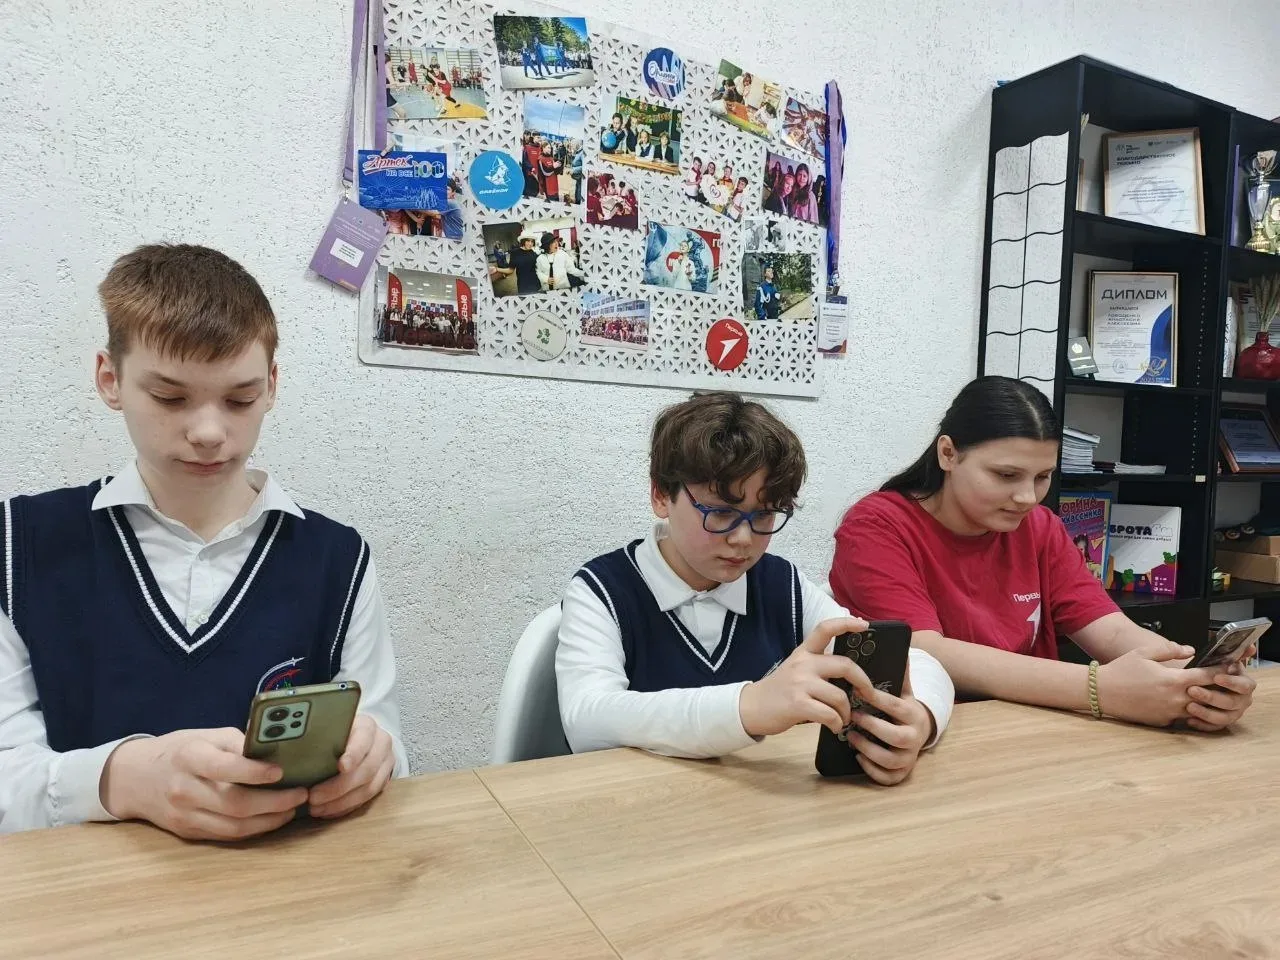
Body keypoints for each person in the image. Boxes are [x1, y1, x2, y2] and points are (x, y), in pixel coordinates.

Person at [0, 245, 408, 838]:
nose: (210, 432)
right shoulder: (20, 545)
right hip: (82, 886)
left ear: (272, 386)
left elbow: (383, 735)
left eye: (240, 400)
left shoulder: (338, 559)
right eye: (170, 398)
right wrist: (121, 779)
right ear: (110, 379)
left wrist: (375, 759)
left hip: (290, 879)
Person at [556, 392, 954, 779]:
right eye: (719, 513)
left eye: (764, 515)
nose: (743, 539)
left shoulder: (783, 586)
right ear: (661, 495)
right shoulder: (602, 591)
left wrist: (920, 719)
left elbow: (917, 662)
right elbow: (586, 719)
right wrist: (748, 706)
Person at [831, 375, 1257, 732]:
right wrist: (1101, 689)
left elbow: (1109, 631)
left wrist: (1190, 678)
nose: (1026, 497)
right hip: (931, 735)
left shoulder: (1039, 527)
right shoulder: (877, 527)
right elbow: (926, 651)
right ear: (948, 454)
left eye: (1042, 477)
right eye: (1006, 475)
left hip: (1038, 731)